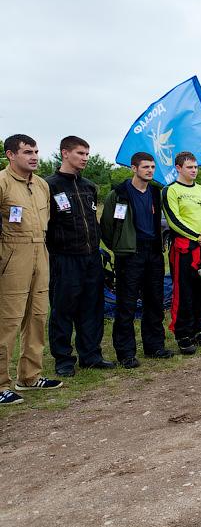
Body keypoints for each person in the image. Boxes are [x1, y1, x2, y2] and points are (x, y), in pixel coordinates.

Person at [0, 134, 62, 405]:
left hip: (40, 251)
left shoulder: (41, 185)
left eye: (36, 151)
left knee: (38, 315)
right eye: (27, 152)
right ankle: (0, 383)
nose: (34, 156)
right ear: (10, 155)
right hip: (12, 253)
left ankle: (29, 375)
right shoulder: (2, 182)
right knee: (9, 320)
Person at [44, 136, 114, 376]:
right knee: (63, 309)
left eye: (87, 154)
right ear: (65, 153)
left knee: (92, 308)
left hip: (91, 257)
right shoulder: (49, 186)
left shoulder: (89, 187)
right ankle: (63, 359)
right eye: (80, 153)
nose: (85, 158)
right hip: (64, 257)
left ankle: (91, 355)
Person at [100, 152, 174, 369]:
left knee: (155, 301)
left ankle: (155, 346)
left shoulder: (155, 193)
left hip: (153, 252)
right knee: (127, 304)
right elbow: (106, 227)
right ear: (134, 168)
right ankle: (126, 352)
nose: (150, 170)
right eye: (145, 167)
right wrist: (121, 246)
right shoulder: (119, 194)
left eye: (152, 167)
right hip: (129, 255)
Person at [161, 151, 201, 355]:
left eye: (195, 167)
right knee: (184, 292)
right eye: (189, 167)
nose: (194, 170)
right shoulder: (171, 190)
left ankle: (198, 329)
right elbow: (174, 221)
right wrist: (198, 237)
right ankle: (183, 334)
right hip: (185, 248)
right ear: (178, 168)